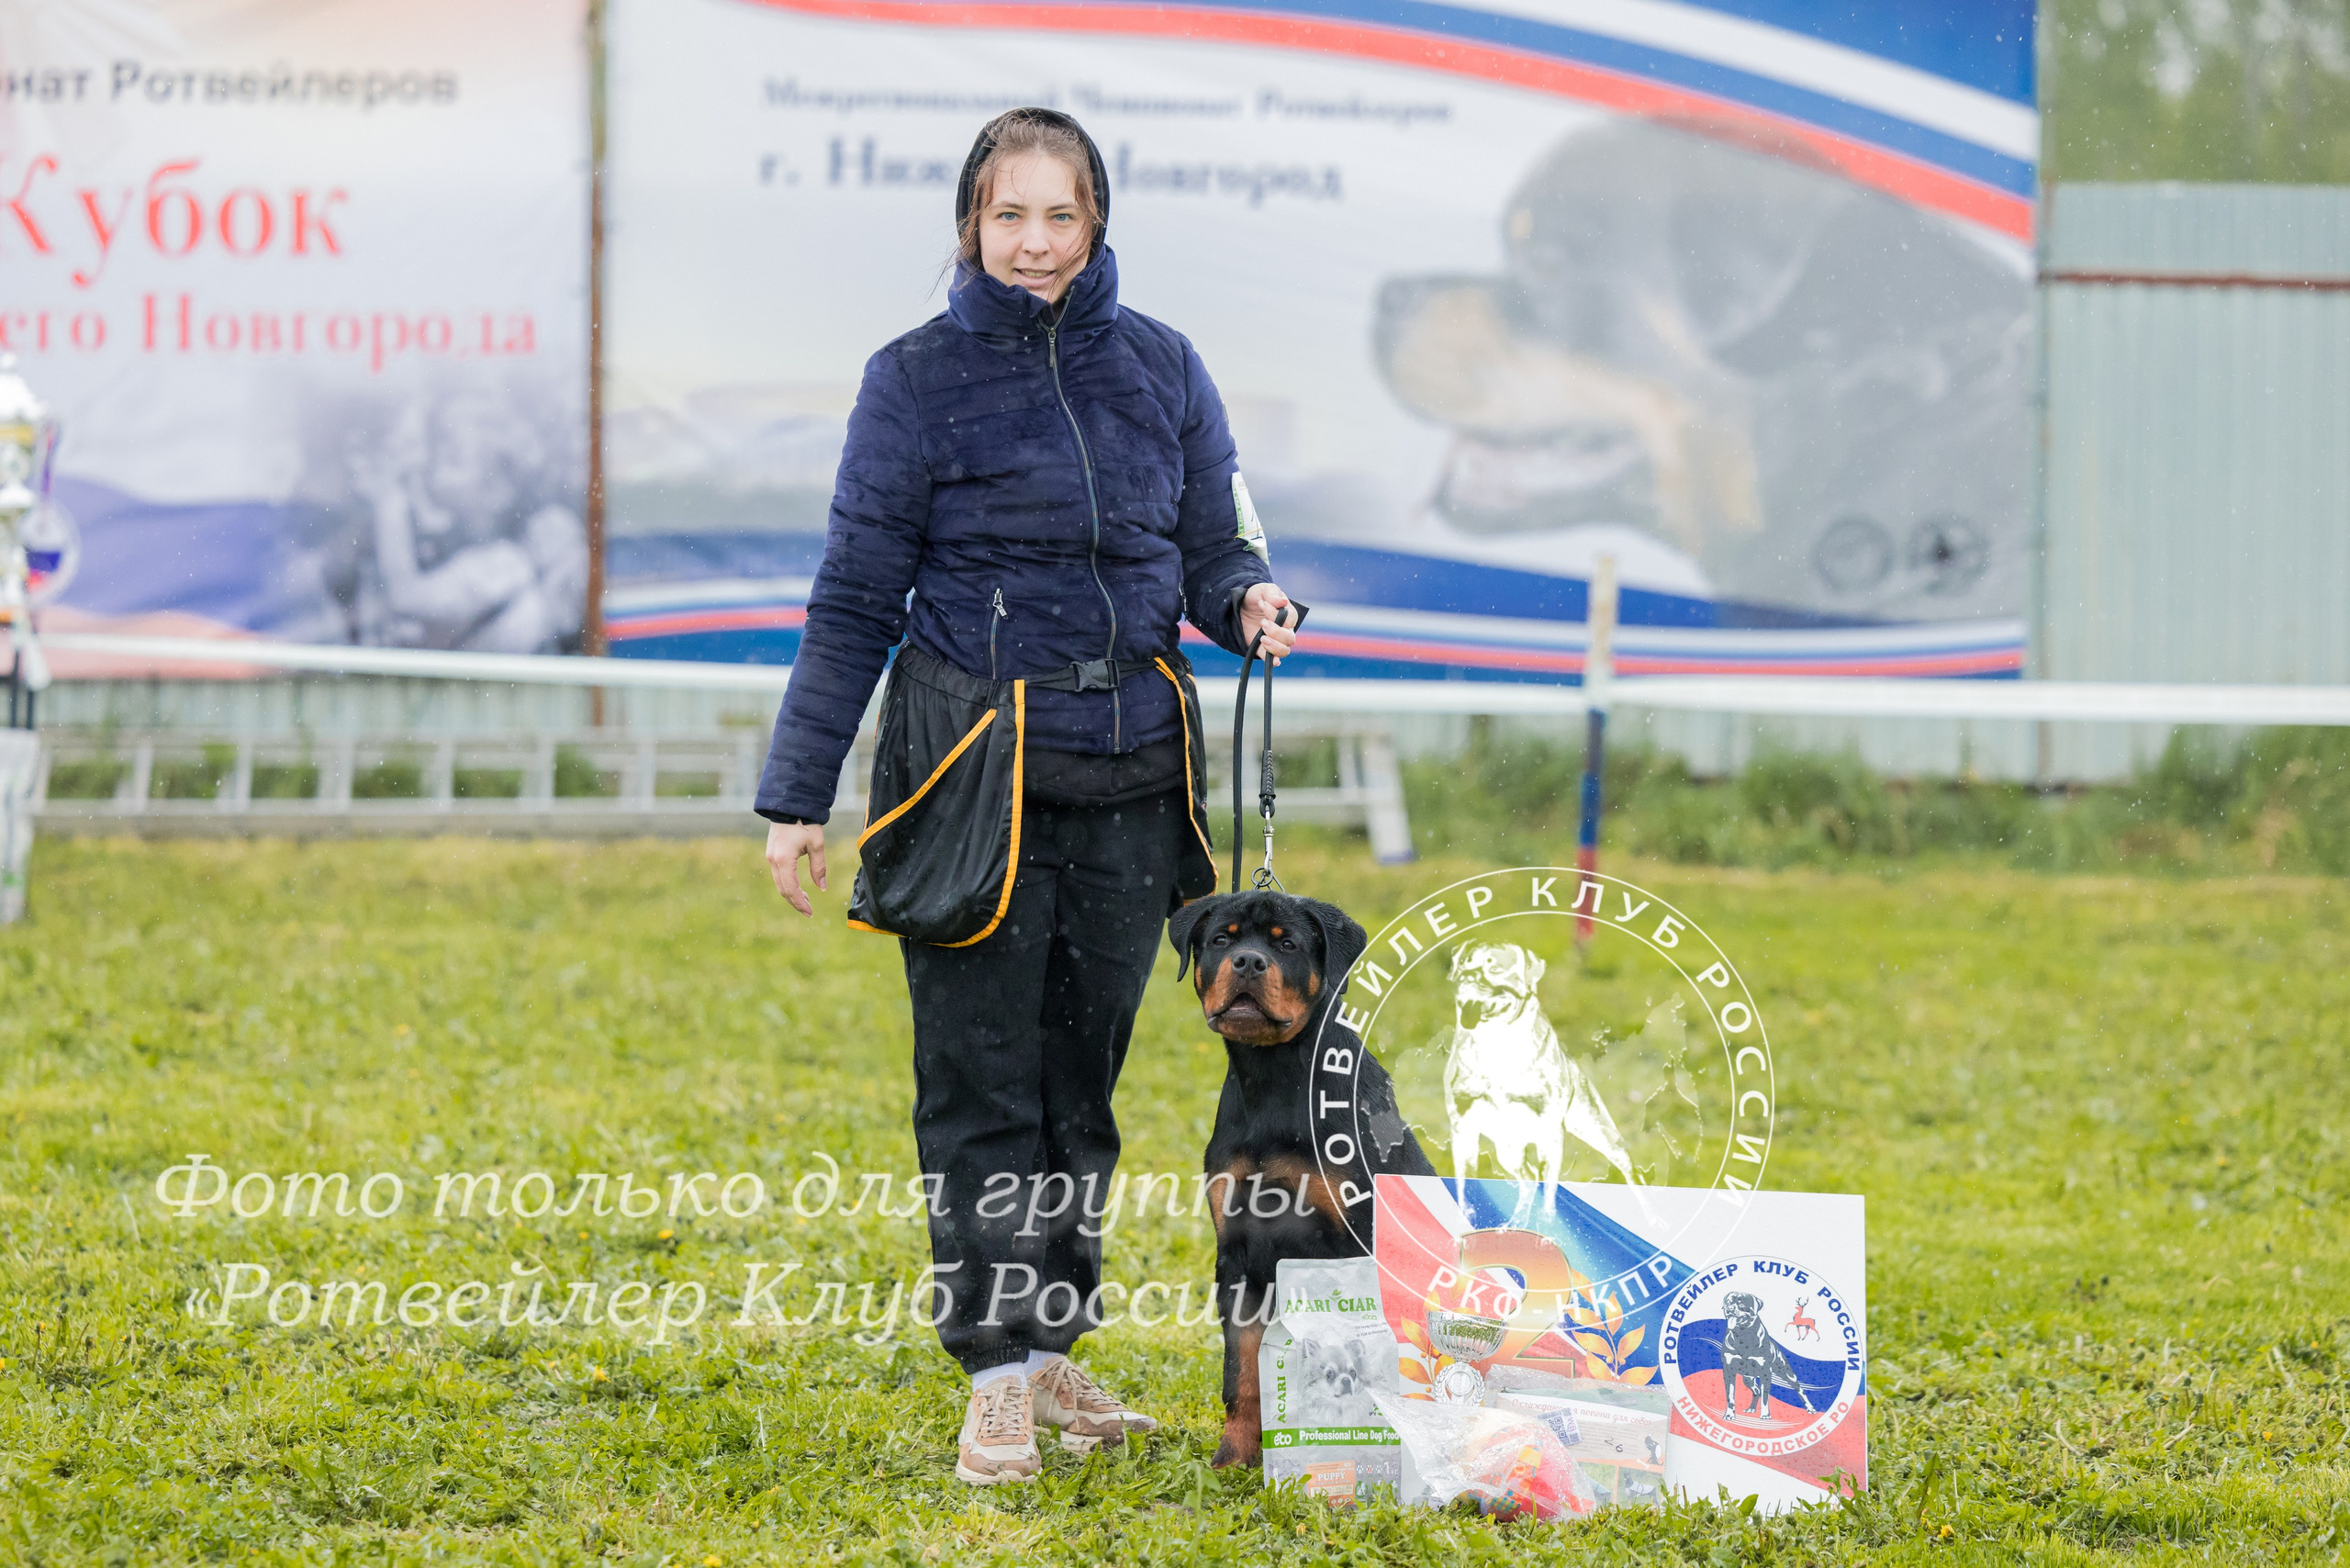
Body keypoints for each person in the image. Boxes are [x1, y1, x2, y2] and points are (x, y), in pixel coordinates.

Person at [754, 107, 1300, 1486]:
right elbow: (856, 599)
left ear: (1097, 220)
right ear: (971, 226)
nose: (1037, 241)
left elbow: (1208, 543)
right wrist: (795, 793)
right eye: (1012, 215)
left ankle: (1054, 1354)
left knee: (1082, 1090)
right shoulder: (912, 380)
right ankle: (993, 1375)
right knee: (982, 1090)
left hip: (1133, 785)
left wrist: (1246, 597)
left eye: (1061, 215)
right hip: (973, 786)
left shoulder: (1164, 367)